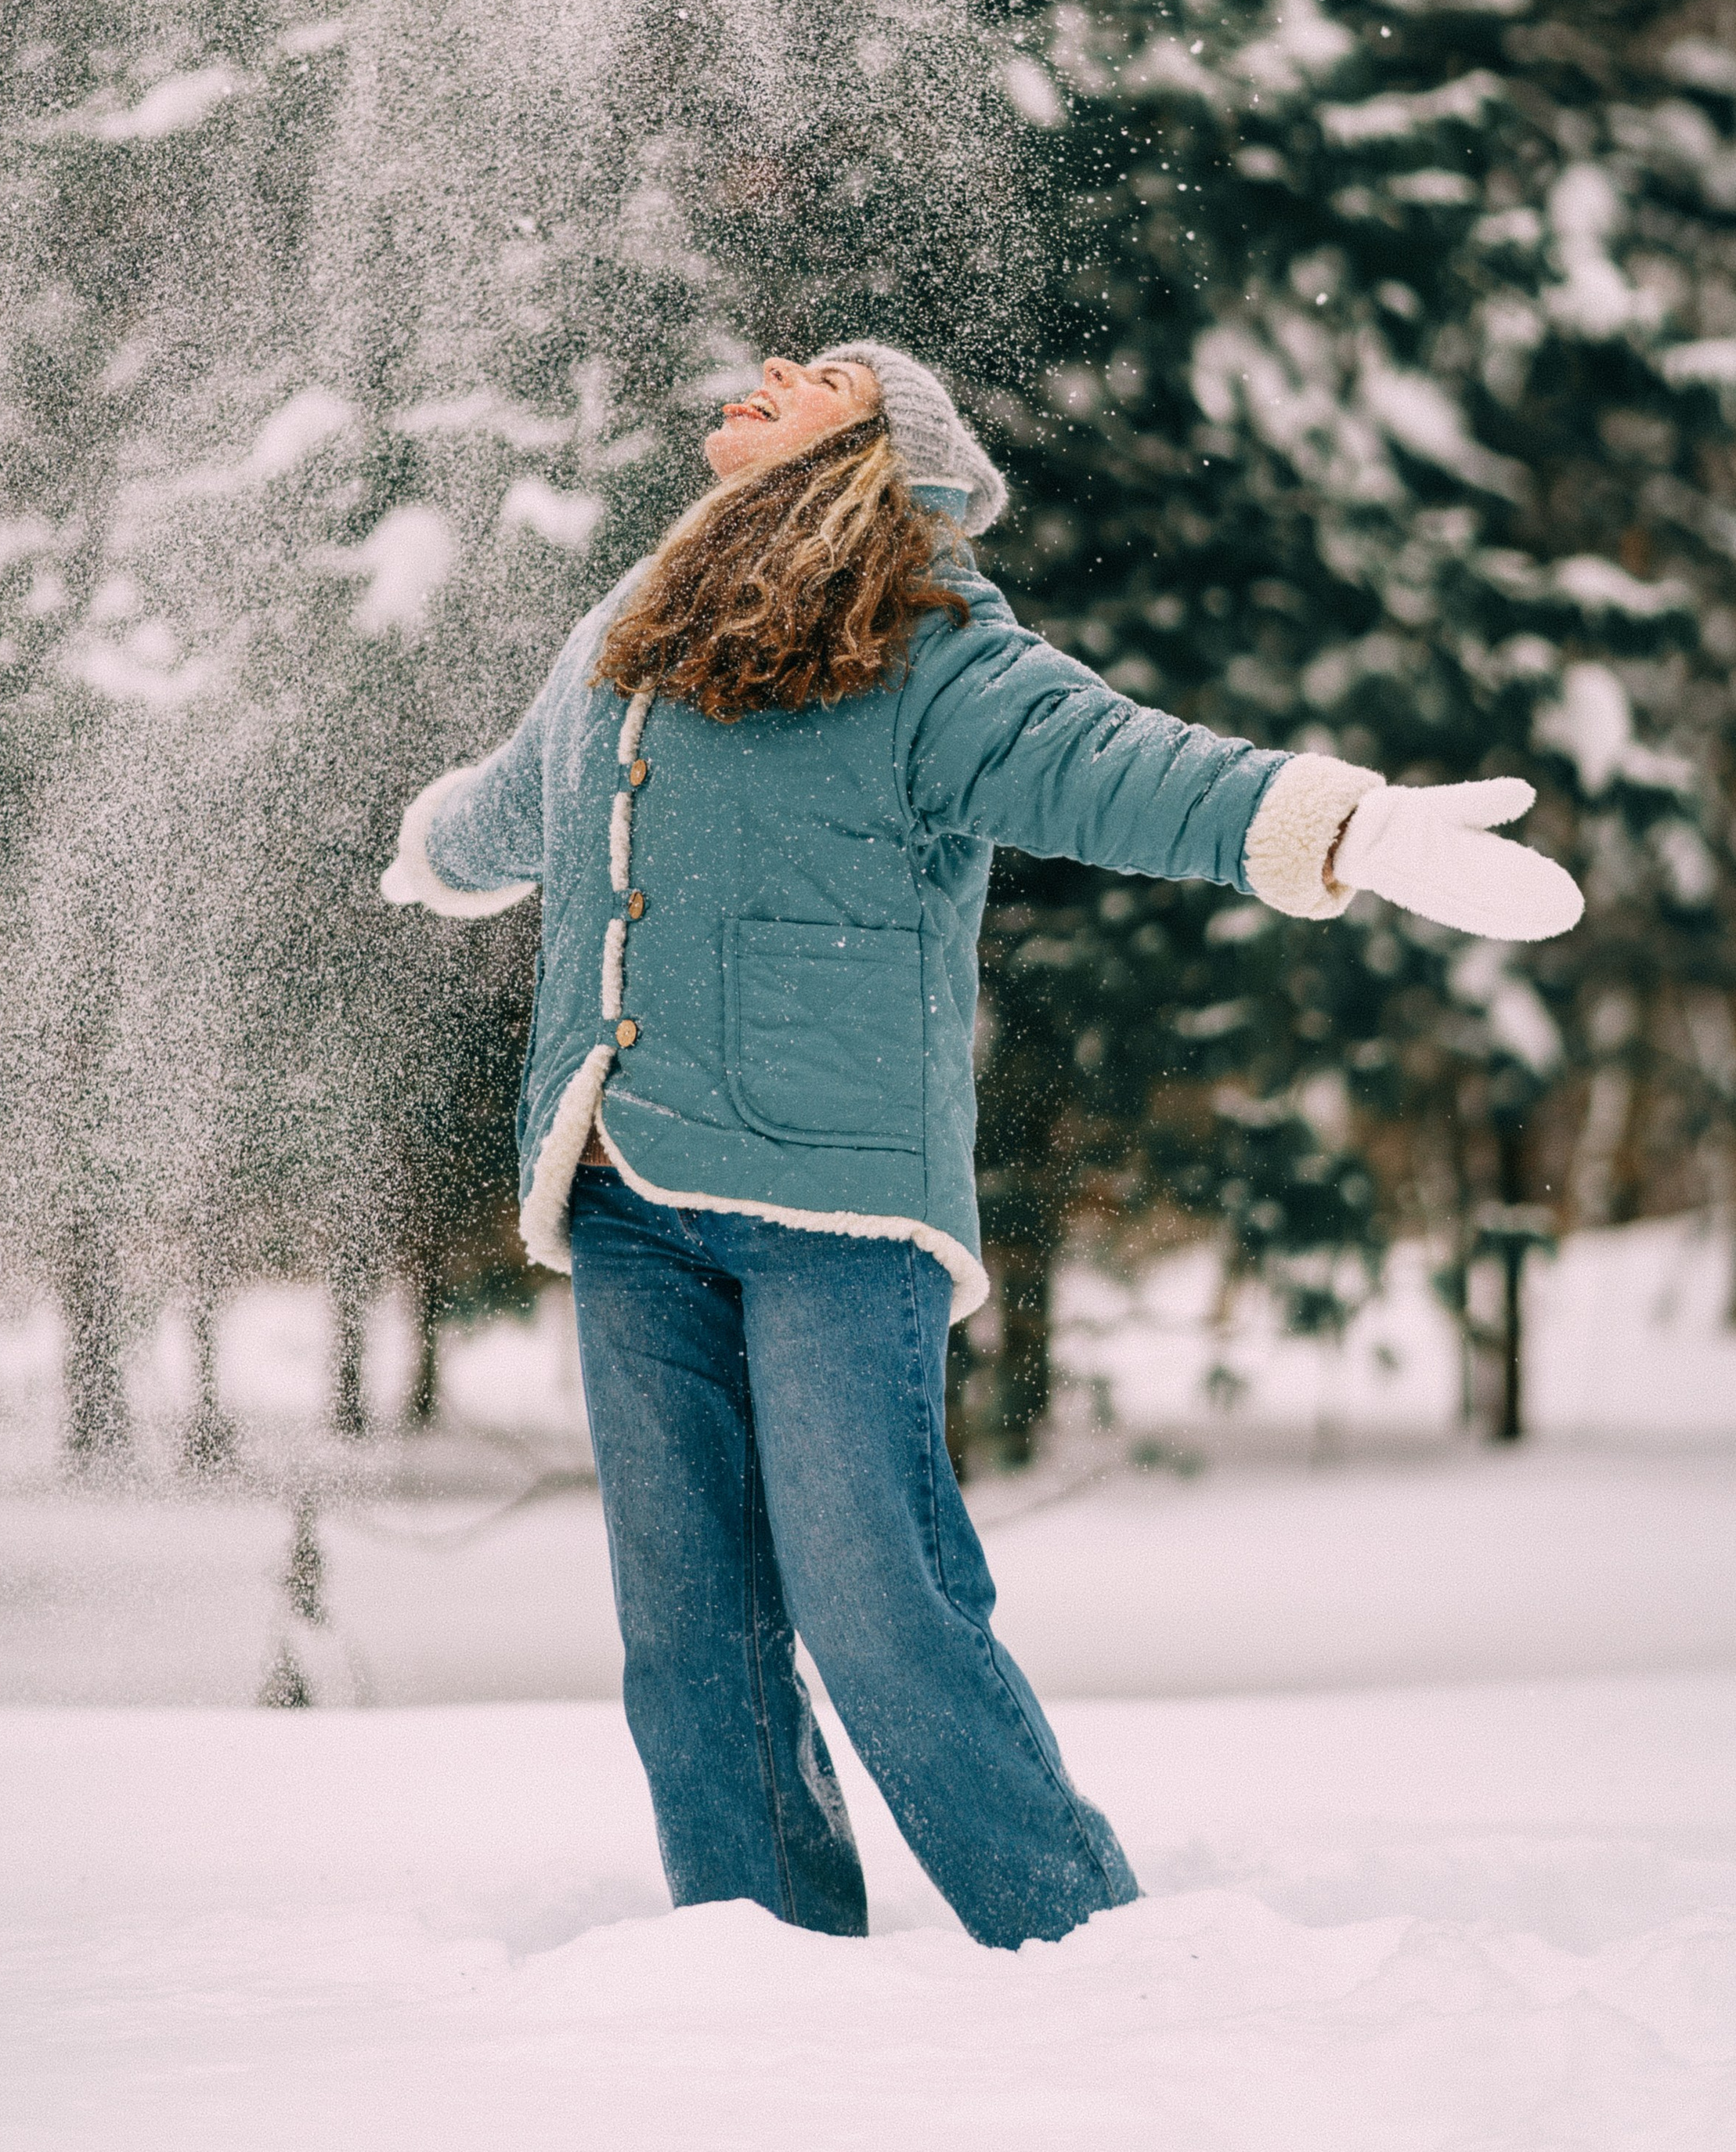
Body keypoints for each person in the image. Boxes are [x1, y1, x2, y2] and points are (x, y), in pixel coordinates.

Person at [381, 345, 1579, 1949]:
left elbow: (1113, 762)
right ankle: (755, 1958)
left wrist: (1332, 824)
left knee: (874, 1598)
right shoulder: (629, 623)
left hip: (830, 1202)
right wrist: (434, 841)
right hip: (623, 1189)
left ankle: (1075, 1941)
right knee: (686, 1630)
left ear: (882, 444)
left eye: (815, 374)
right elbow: (532, 798)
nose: (761, 372)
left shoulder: (927, 649)